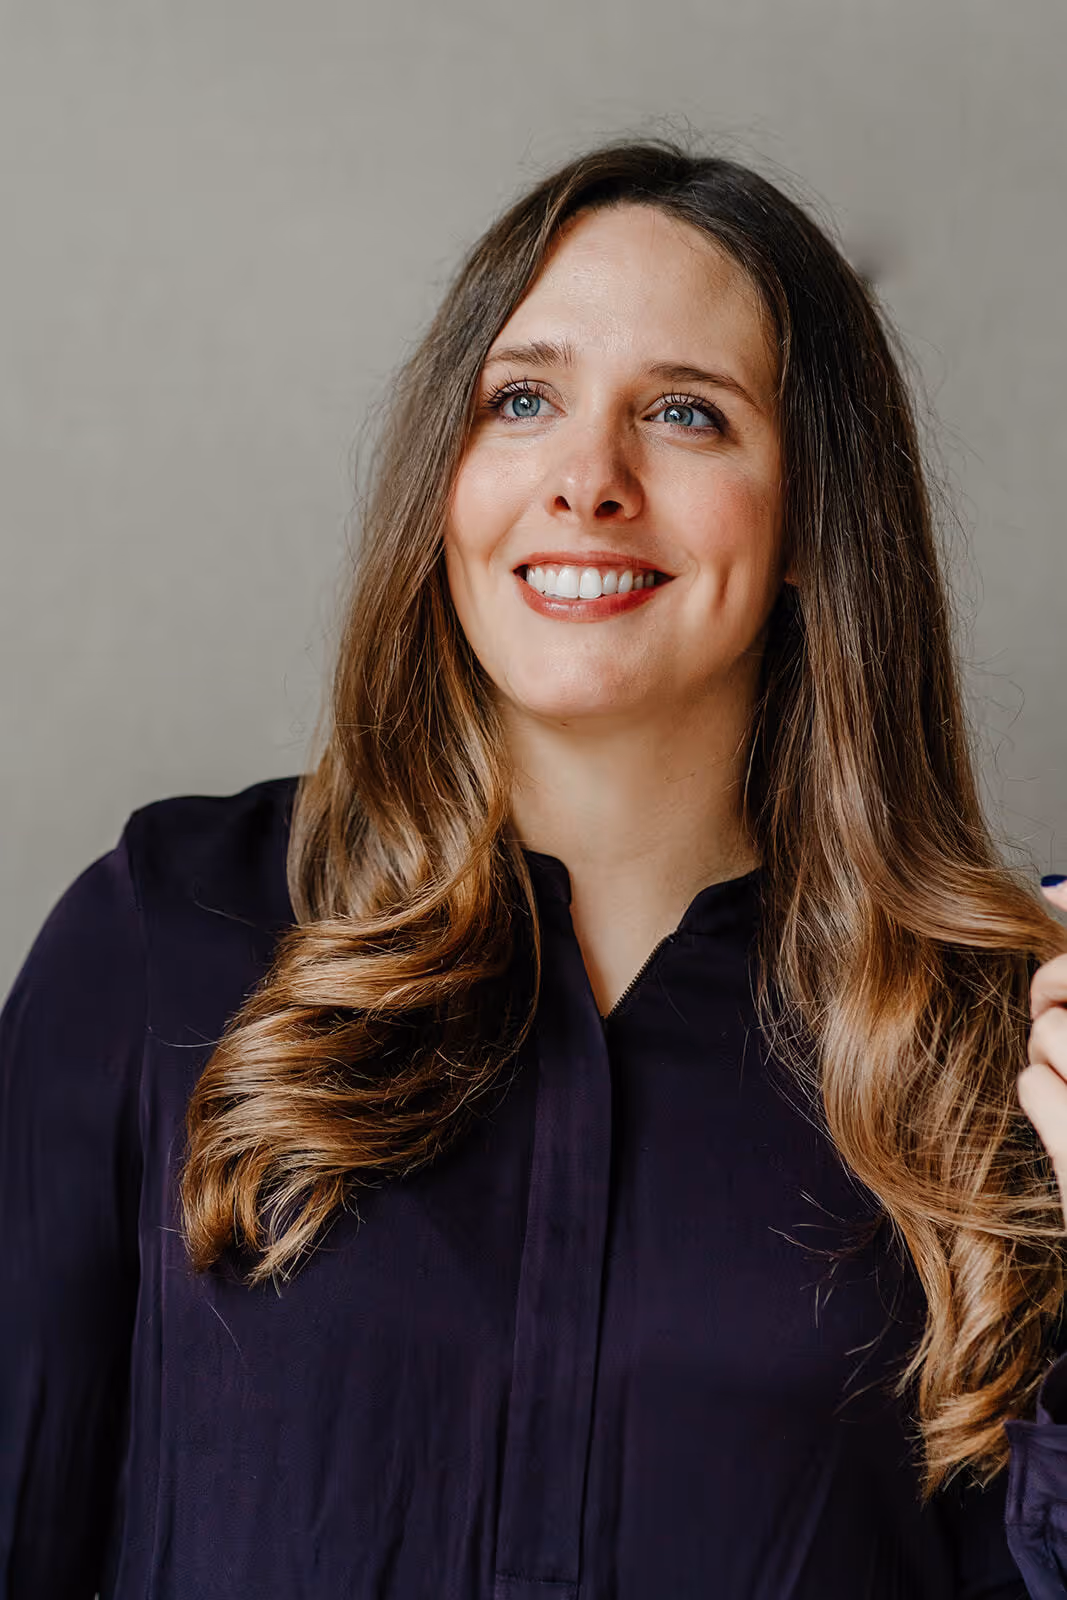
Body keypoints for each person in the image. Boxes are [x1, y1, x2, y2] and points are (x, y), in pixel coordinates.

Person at [3, 137, 1067, 1600]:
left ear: (813, 518)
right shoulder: (162, 935)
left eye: (686, 414)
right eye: (522, 400)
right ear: (446, 478)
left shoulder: (980, 1057)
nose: (587, 481)